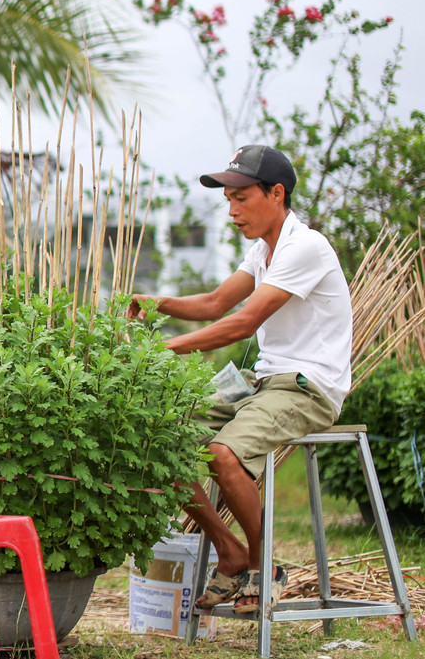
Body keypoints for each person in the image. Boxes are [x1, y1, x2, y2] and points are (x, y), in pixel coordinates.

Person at [127, 144, 349, 614]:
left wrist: (162, 347)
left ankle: (263, 567)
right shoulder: (262, 250)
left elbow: (241, 323)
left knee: (222, 453)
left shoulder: (304, 246)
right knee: (158, 436)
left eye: (241, 198)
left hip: (309, 387)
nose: (231, 212)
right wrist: (155, 302)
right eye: (227, 200)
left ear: (276, 193)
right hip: (264, 382)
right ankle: (230, 552)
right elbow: (213, 304)